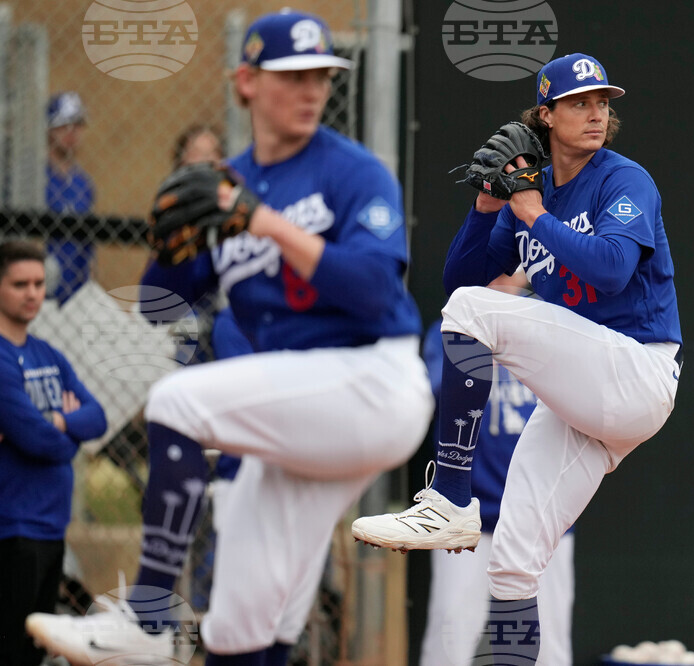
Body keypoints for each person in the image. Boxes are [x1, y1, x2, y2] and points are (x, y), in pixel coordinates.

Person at [26, 9, 433, 666]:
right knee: (242, 631)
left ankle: (148, 619)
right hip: (303, 418)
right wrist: (168, 247)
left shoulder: (353, 172)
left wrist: (266, 223)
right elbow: (163, 307)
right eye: (292, 76)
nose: (311, 91)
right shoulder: (228, 185)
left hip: (372, 382)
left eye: (321, 76)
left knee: (175, 404)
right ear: (246, 81)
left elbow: (375, 292)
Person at [352, 53, 683, 663]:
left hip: (636, 369)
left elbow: (612, 271)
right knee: (511, 562)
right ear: (546, 115)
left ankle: (449, 498)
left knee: (477, 315)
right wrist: (486, 206)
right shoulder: (530, 192)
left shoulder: (622, 178)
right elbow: (464, 282)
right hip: (585, 396)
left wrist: (531, 212)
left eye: (602, 102)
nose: (595, 113)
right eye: (579, 102)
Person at [420, 274, 576, 666]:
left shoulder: (554, 319)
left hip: (543, 519)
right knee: (449, 635)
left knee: (547, 644)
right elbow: (439, 390)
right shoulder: (457, 319)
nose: (503, 269)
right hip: (467, 519)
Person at [0, 240, 107, 666]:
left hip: (51, 526)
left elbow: (96, 416)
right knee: (11, 648)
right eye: (19, 284)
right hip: (13, 528)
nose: (32, 293)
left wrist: (59, 424)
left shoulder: (48, 354)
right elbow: (36, 440)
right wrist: (64, 432)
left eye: (39, 284)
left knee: (37, 650)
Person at [44, 91, 97, 305]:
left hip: (76, 293)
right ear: (49, 129)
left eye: (77, 125)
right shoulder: (35, 178)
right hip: (39, 289)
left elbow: (89, 245)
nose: (71, 132)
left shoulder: (83, 184)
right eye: (62, 125)